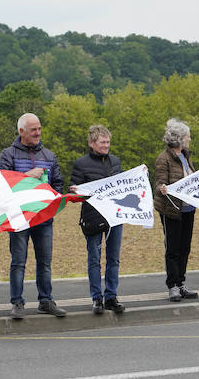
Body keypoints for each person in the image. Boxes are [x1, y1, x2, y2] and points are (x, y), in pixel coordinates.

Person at [0, 113, 67, 319]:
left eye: (39, 128)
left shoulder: (49, 155)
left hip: (43, 218)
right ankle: (17, 303)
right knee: (18, 262)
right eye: (33, 130)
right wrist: (26, 176)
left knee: (45, 262)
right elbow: (1, 183)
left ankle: (46, 301)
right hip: (18, 218)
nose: (38, 133)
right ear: (21, 131)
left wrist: (52, 202)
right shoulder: (8, 154)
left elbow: (58, 184)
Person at [69, 125, 126, 315]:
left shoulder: (115, 161)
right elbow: (73, 188)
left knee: (113, 259)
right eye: (102, 142)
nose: (106, 146)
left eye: (108, 142)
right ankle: (96, 298)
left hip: (114, 216)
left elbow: (123, 184)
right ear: (92, 143)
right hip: (92, 217)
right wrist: (75, 191)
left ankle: (111, 296)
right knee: (94, 259)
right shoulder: (81, 163)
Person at [153, 118, 199, 302]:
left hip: (188, 208)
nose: (189, 139)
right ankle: (172, 285)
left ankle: (181, 283)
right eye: (188, 136)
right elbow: (159, 183)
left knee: (185, 247)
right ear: (179, 138)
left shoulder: (185, 156)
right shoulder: (163, 159)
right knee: (173, 248)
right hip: (171, 209)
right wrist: (162, 188)